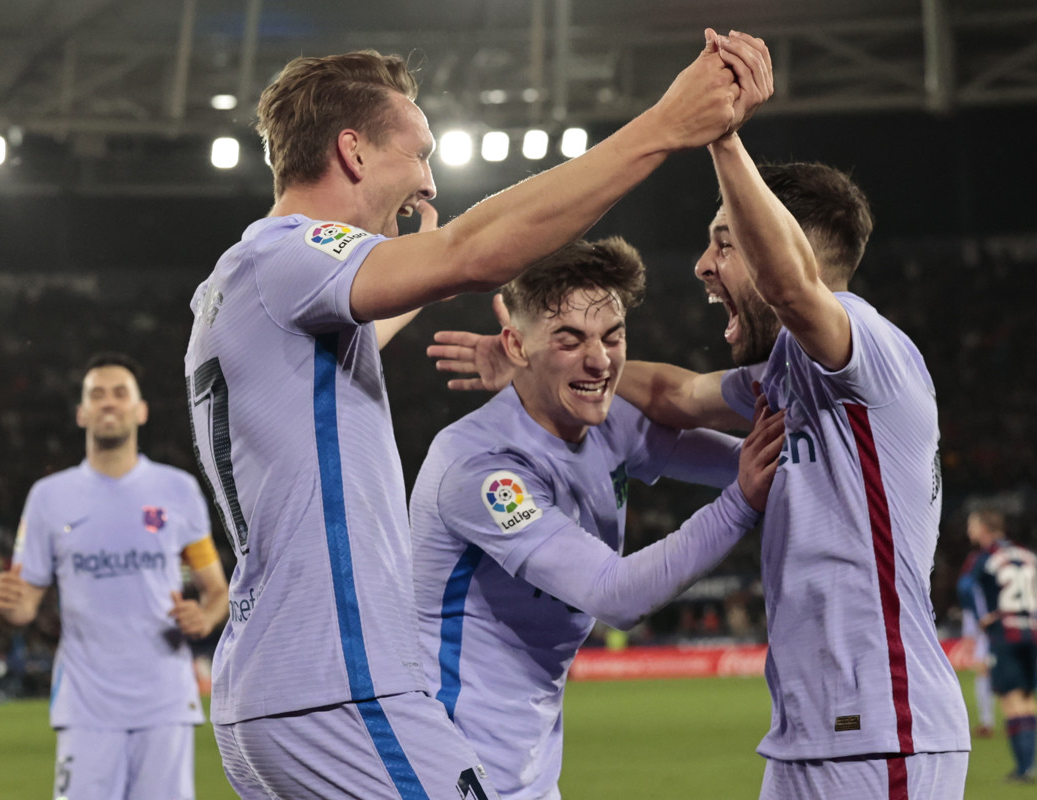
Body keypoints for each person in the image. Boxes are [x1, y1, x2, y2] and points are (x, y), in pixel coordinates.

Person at [185, 30, 769, 800]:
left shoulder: (241, 286)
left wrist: (456, 302)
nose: (428, 179)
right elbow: (474, 252)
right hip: (342, 684)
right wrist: (664, 126)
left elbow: (387, 310)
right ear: (354, 152)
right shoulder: (288, 255)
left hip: (273, 691)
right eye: (418, 152)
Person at [429, 34, 971, 798]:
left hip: (881, 725)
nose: (703, 266)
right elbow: (674, 396)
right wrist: (530, 357)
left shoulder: (868, 348)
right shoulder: (786, 376)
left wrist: (720, 133)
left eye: (725, 242)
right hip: (814, 735)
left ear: (777, 243)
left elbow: (790, 287)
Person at [410, 238, 785, 800]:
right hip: (448, 761)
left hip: (527, 765)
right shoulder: (479, 467)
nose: (601, 360)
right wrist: (740, 505)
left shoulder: (609, 422)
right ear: (516, 344)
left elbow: (752, 465)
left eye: (613, 336)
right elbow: (615, 595)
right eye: (570, 339)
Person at [0, 353, 228, 800]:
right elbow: (25, 604)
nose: (108, 403)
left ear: (141, 410)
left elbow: (217, 592)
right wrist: (5, 602)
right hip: (86, 704)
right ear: (82, 413)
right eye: (96, 394)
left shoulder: (178, 491)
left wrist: (205, 618)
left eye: (121, 393)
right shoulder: (48, 498)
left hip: (164, 700)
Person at [958, 509, 1037, 784]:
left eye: (972, 525)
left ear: (984, 528)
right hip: (1031, 633)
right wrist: (1036, 613)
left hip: (1005, 634)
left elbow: (966, 587)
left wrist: (983, 618)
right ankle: (1029, 767)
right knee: (1028, 698)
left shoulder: (983, 557)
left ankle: (1022, 769)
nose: (970, 531)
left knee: (1010, 700)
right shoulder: (1025, 553)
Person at [956, 548, 997, 739]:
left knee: (984, 673)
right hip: (992, 632)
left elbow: (971, 611)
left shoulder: (974, 587)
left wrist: (969, 635)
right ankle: (988, 721)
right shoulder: (987, 586)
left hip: (989, 632)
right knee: (985, 673)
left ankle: (988, 721)